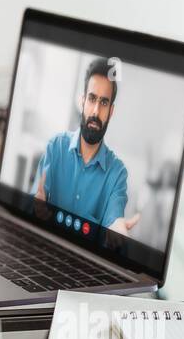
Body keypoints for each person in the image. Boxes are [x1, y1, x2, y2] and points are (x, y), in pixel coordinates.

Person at [33, 57, 140, 235]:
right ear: (82, 101)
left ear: (111, 111)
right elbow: (36, 200)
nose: (96, 111)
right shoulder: (56, 147)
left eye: (104, 103)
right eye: (92, 99)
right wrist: (35, 207)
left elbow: (114, 219)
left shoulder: (117, 173)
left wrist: (117, 228)